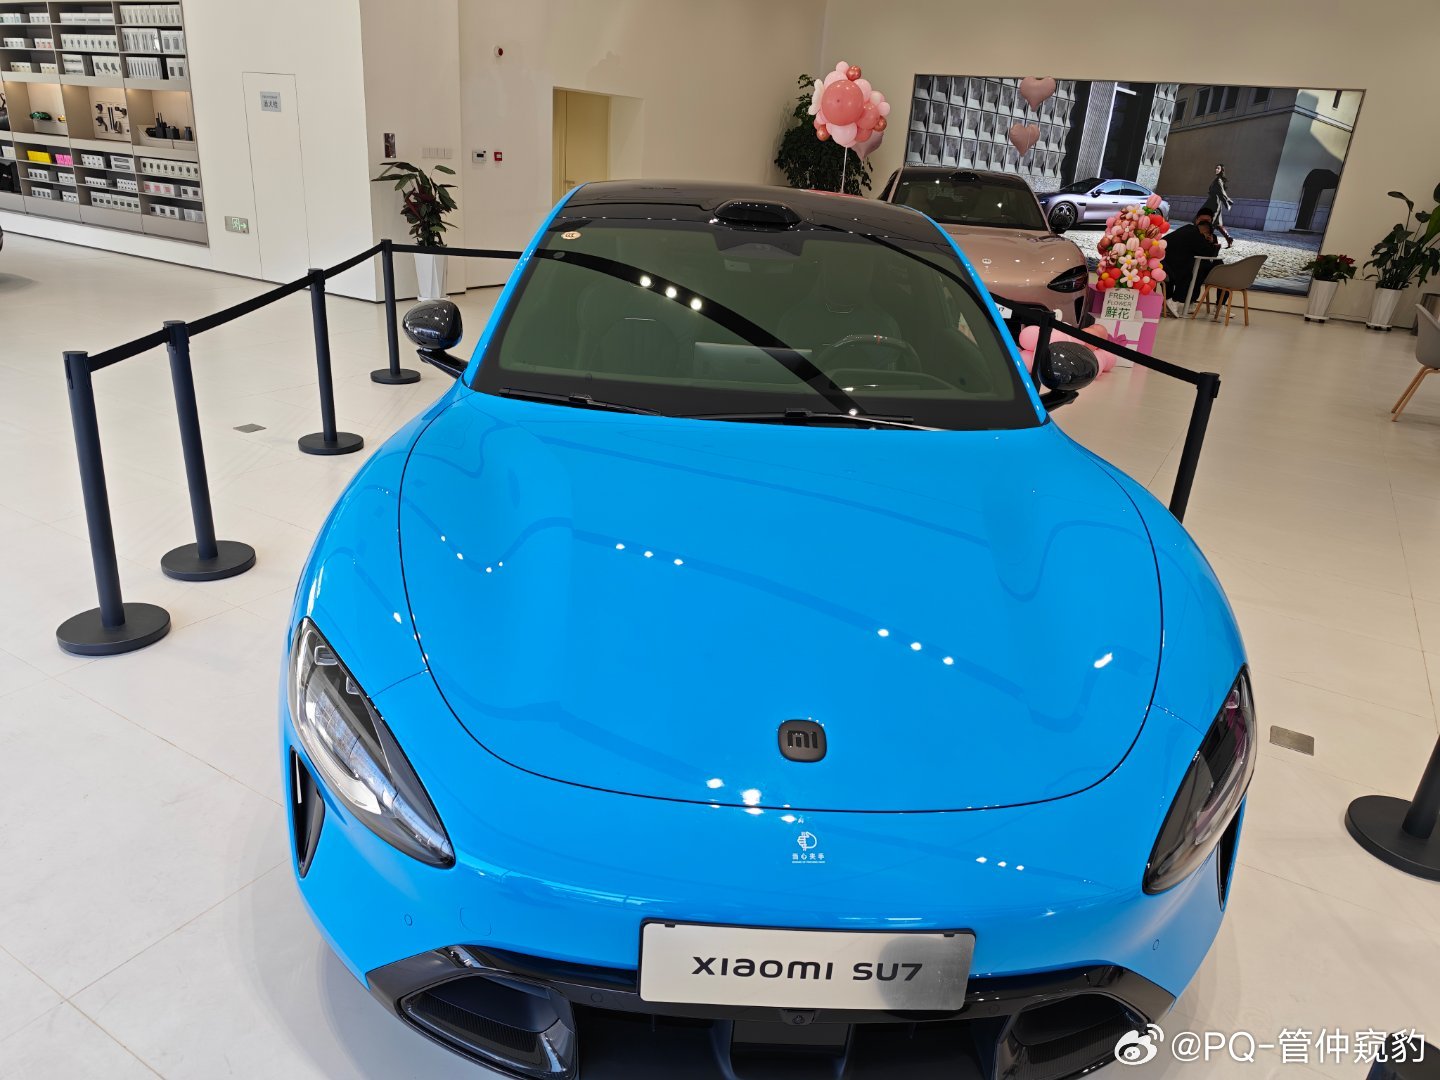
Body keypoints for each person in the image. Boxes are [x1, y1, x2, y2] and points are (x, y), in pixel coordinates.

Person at [1162, 210, 1224, 318]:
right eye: (1202, 220)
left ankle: (1183, 301)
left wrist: (1211, 243)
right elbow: (1208, 252)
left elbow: (1209, 255)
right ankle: (1176, 301)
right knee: (1195, 271)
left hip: (1168, 262)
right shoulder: (1193, 233)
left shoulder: (1191, 230)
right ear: (1197, 220)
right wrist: (1213, 245)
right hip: (1172, 265)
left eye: (1208, 220)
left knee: (1202, 269)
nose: (1205, 222)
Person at [1201, 164, 1234, 248]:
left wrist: (1227, 202)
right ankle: (1229, 238)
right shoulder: (1217, 180)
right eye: (1216, 168)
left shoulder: (1218, 180)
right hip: (1213, 202)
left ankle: (1208, 241)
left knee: (1208, 221)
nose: (1216, 169)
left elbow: (1222, 193)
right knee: (1217, 224)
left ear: (1221, 170)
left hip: (1213, 204)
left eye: (1218, 168)